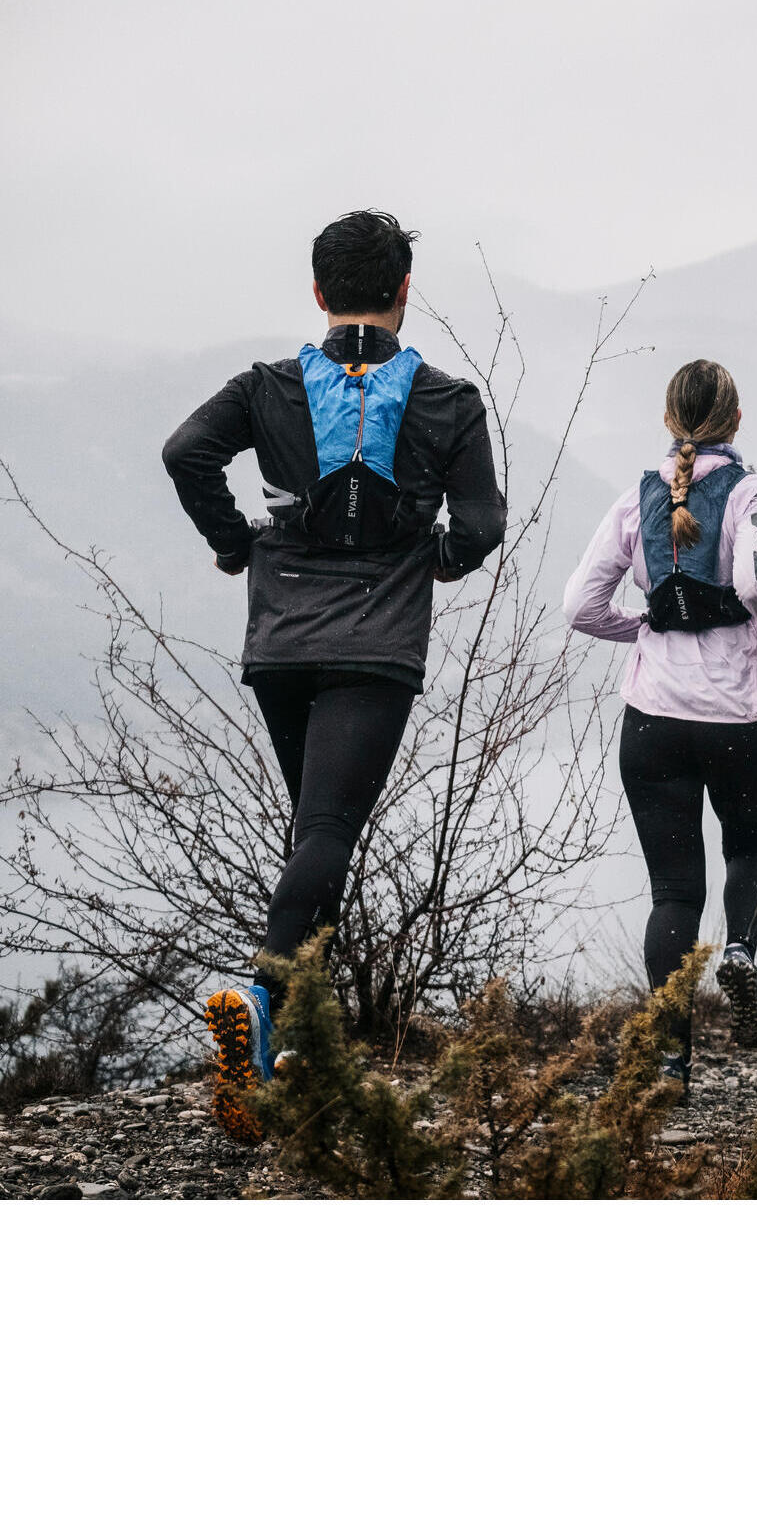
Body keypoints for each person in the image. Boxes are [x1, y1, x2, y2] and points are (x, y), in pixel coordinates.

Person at [162, 210, 506, 1140]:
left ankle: (296, 1050)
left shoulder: (265, 388)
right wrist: (430, 558)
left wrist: (239, 545)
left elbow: (184, 453)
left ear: (319, 293)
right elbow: (480, 525)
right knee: (325, 832)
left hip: (279, 644)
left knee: (321, 841)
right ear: (404, 291)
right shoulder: (445, 401)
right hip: (374, 647)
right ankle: (266, 1002)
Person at [563, 357, 757, 1092]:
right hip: (743, 716)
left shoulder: (633, 499)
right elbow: (756, 584)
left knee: (674, 894)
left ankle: (670, 1062)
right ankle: (739, 953)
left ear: (668, 421)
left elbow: (581, 607)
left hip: (654, 724)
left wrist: (645, 629)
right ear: (736, 422)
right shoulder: (752, 492)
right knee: (752, 853)